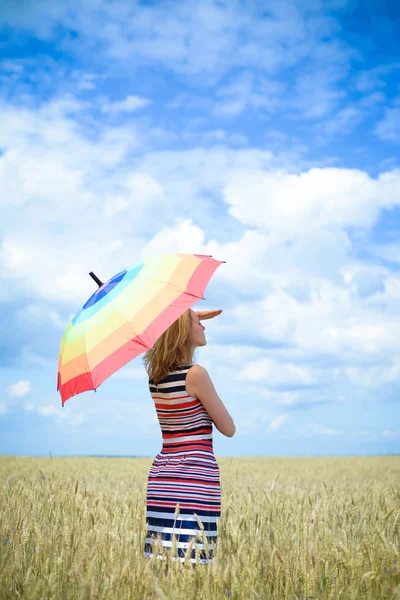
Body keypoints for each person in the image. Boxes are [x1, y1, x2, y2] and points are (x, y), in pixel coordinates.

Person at [142, 308, 235, 565]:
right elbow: (229, 428)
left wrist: (185, 315)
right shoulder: (196, 375)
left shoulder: (155, 378)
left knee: (163, 565)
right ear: (183, 331)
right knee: (195, 564)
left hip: (162, 479)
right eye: (197, 323)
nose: (204, 327)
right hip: (194, 479)